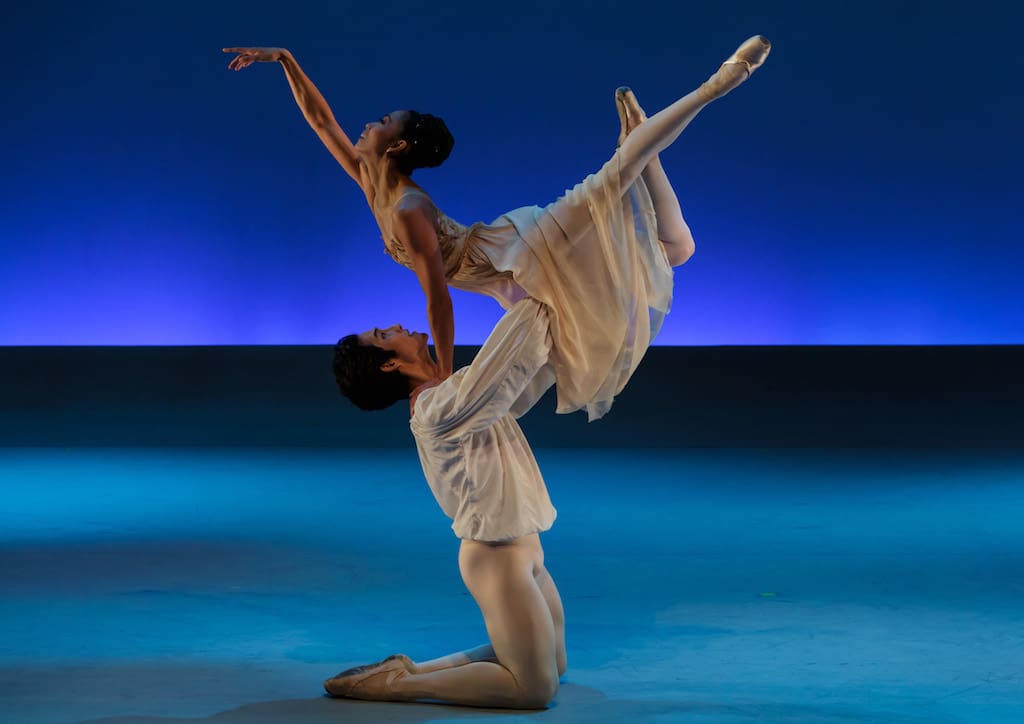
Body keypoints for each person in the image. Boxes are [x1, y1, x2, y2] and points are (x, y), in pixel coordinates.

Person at [224, 36, 771, 420]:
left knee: (612, 179)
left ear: (396, 146)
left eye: (382, 121)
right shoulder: (372, 182)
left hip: (518, 247)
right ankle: (640, 143)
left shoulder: (407, 208)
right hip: (507, 279)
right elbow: (322, 120)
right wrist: (285, 60)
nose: (367, 123)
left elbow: (437, 295)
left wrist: (442, 367)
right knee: (676, 249)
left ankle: (714, 86)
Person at [326, 300, 563, 708]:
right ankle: (395, 686)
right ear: (389, 365)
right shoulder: (437, 409)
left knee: (553, 665)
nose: (396, 324)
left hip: (524, 547)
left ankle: (412, 669)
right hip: (496, 557)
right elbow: (503, 365)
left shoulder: (452, 397)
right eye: (384, 335)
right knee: (535, 689)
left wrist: (555, 308)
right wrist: (536, 299)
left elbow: (518, 379)